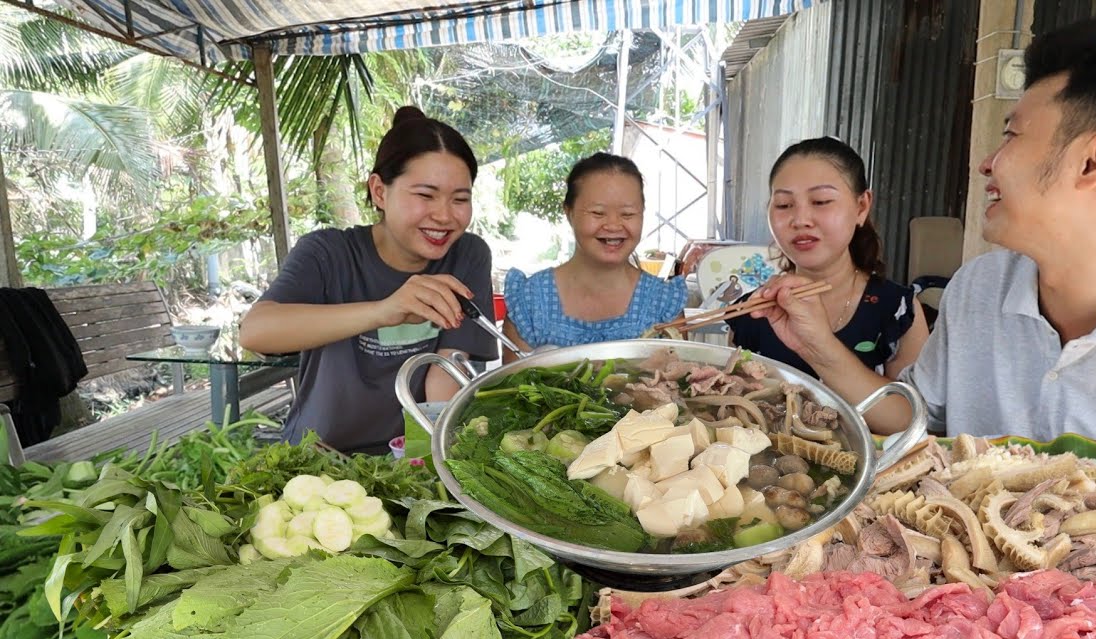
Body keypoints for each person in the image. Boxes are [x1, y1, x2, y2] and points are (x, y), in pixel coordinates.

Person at [748, 22, 1096, 582]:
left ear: (1095, 159)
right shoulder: (981, 288)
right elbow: (912, 423)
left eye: (1011, 135)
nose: (987, 163)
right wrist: (814, 341)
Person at [239, 107, 497, 455]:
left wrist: (440, 453)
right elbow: (256, 332)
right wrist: (383, 311)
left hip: (406, 456)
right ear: (379, 191)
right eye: (425, 195)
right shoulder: (328, 253)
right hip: (316, 454)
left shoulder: (467, 255)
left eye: (460, 199)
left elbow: (446, 366)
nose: (445, 215)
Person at [726, 137, 928, 380]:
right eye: (783, 204)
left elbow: (911, 414)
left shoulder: (898, 310)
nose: (800, 220)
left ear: (861, 207)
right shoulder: (753, 312)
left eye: (821, 201)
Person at [501, 153, 686, 361]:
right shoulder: (530, 301)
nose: (614, 225)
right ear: (568, 212)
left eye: (628, 214)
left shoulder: (663, 304)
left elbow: (678, 383)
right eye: (598, 213)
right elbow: (510, 385)